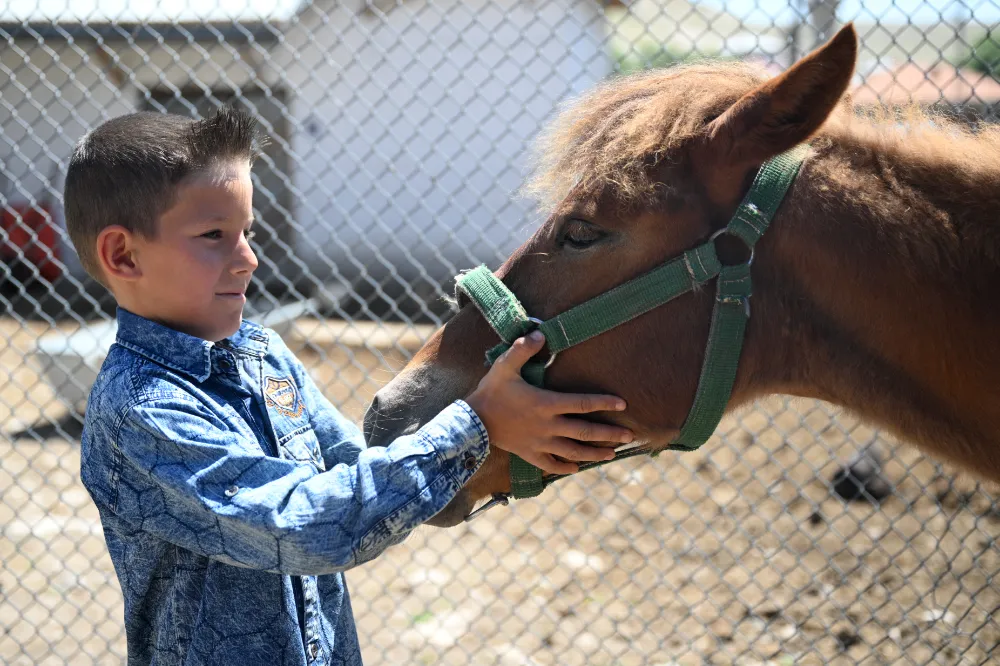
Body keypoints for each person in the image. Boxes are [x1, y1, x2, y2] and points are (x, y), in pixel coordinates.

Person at [66, 106, 634, 666]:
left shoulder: (261, 354)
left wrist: (504, 435)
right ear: (123, 254)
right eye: (214, 235)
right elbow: (310, 526)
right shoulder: (140, 411)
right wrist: (478, 423)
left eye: (247, 232)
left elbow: (365, 469)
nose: (248, 260)